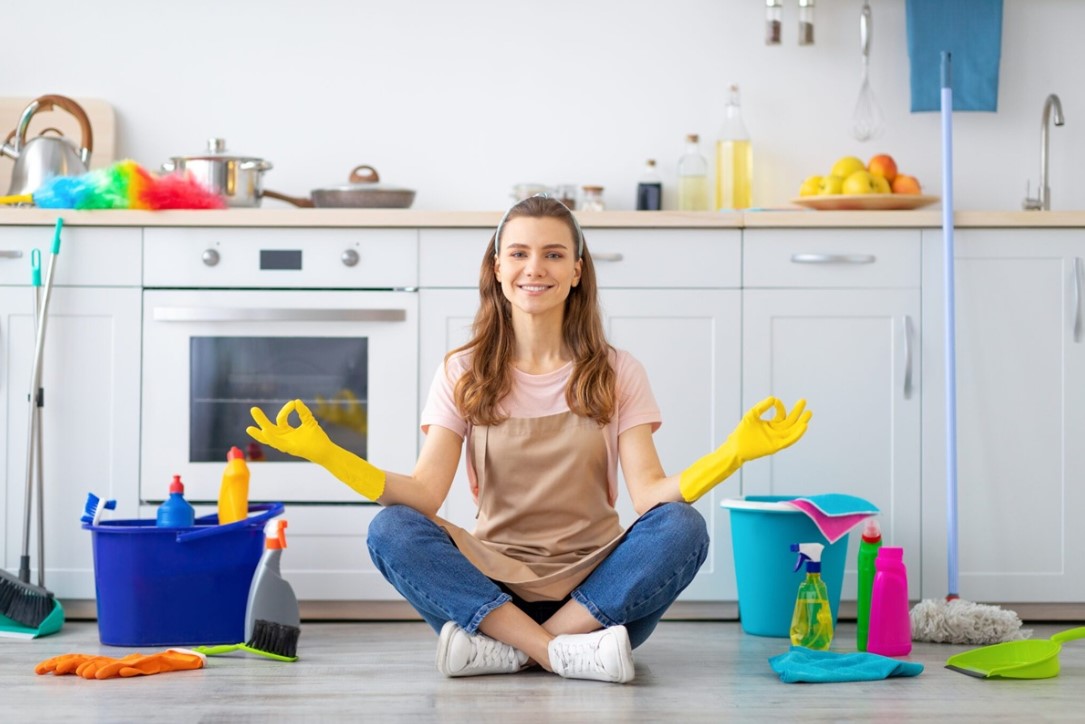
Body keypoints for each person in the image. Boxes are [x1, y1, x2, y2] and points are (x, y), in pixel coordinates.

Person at [247, 195, 811, 684]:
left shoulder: (618, 371)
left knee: (682, 526)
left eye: (553, 254)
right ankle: (556, 652)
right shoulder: (463, 371)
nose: (534, 268)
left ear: (577, 271)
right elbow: (423, 494)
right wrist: (329, 454)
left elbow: (649, 497)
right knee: (391, 528)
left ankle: (511, 651)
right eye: (518, 253)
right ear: (497, 268)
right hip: (490, 587)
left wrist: (732, 453)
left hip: (599, 591)